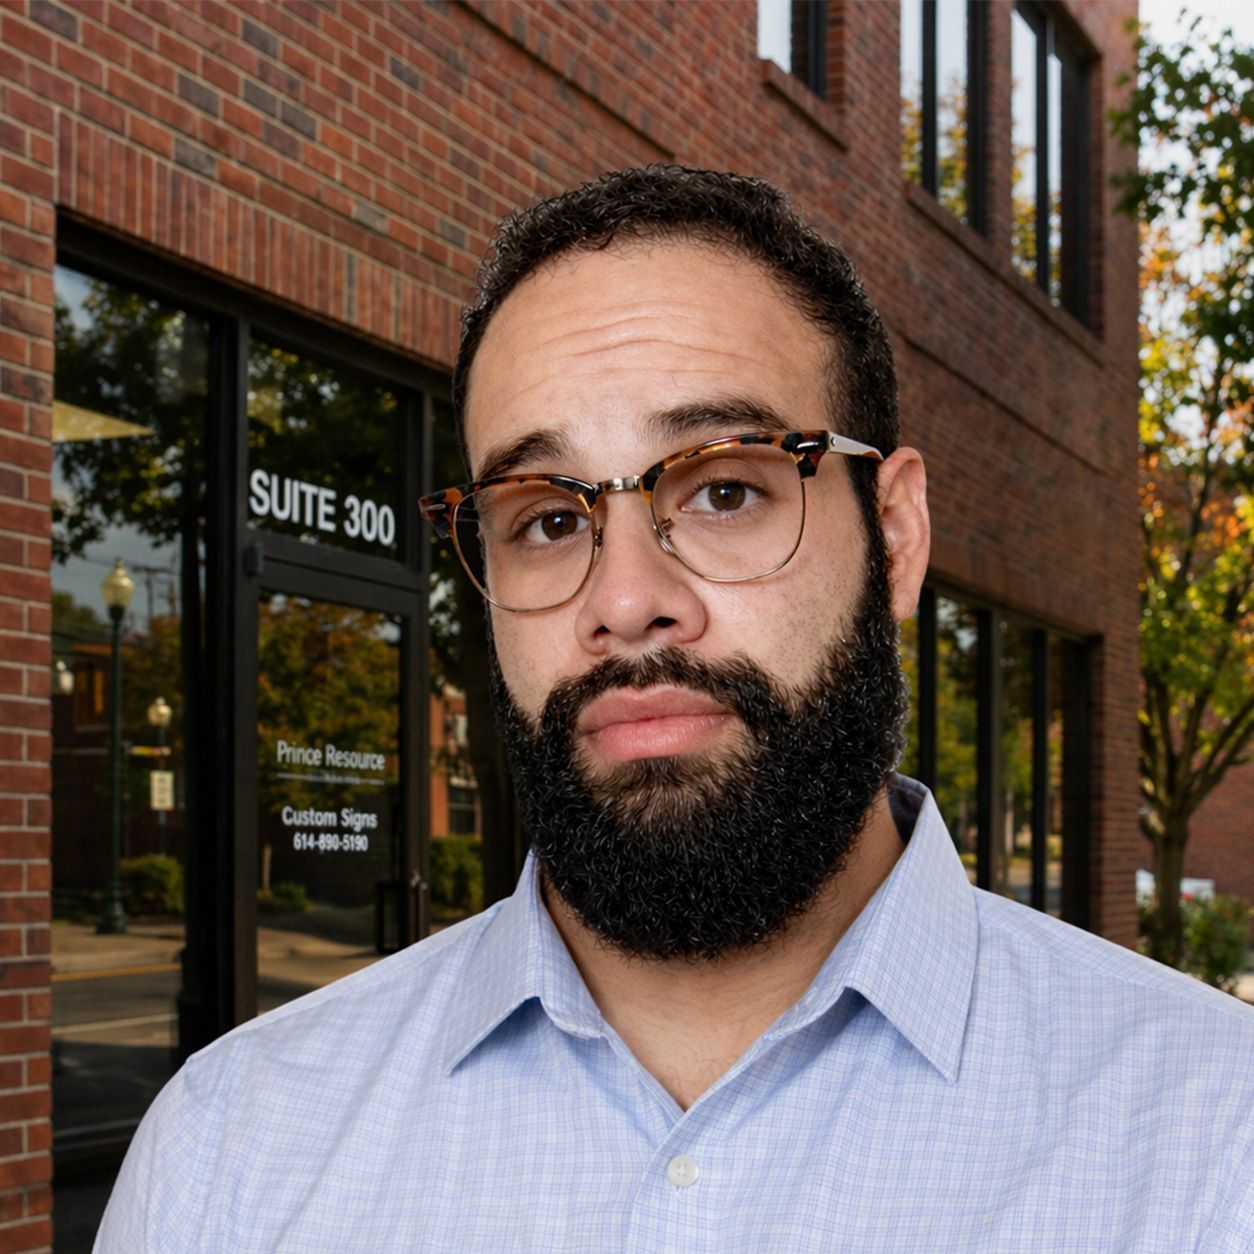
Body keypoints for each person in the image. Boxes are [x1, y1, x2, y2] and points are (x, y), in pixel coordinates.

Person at [97, 166, 1253, 1252]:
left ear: (894, 537)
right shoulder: (232, 1159)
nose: (628, 601)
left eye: (726, 490)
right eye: (548, 520)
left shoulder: (1209, 1143)